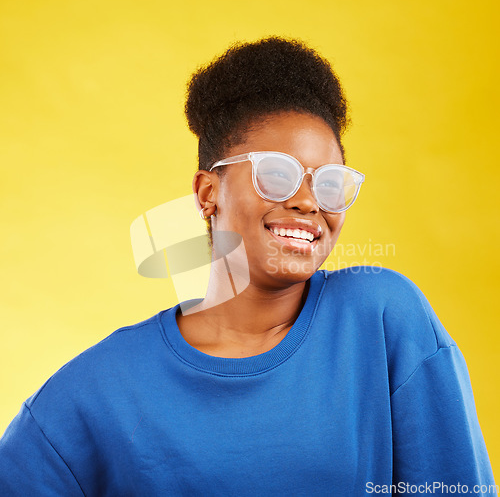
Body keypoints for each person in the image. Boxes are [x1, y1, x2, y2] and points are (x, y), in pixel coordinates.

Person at [0, 37, 496, 496]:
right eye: (276, 176)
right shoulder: (97, 395)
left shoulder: (382, 319)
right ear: (208, 193)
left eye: (329, 183)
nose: (307, 202)